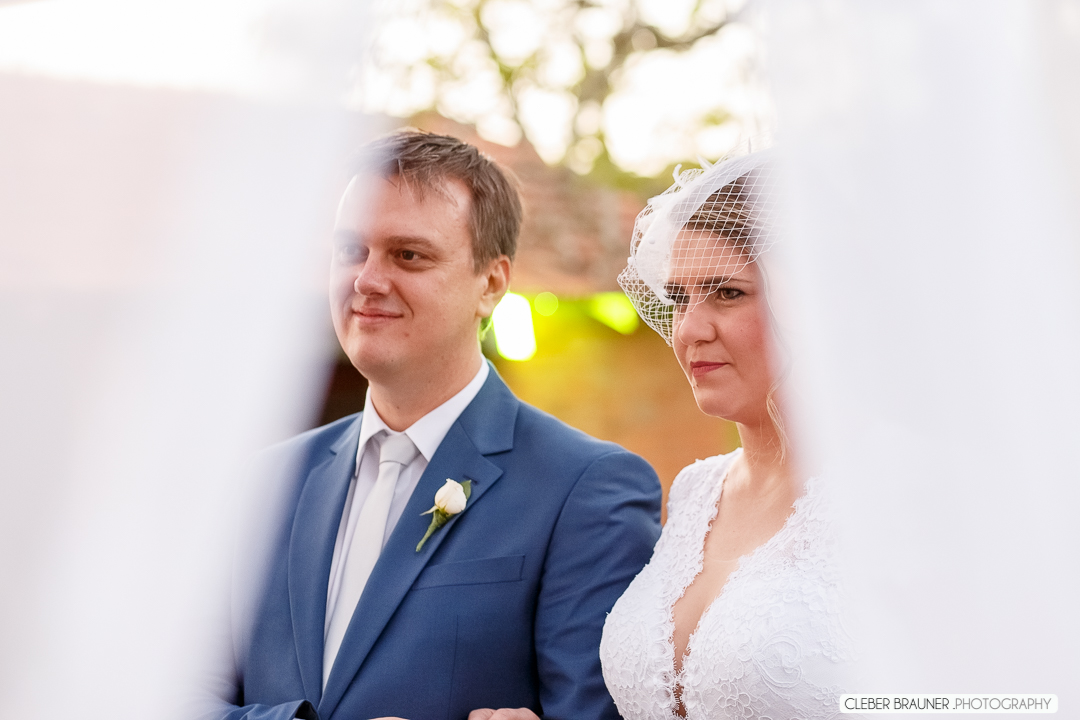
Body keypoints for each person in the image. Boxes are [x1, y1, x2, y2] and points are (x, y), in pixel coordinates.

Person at [209, 130, 662, 720]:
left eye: (408, 255)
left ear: (492, 284)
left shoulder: (588, 489)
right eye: (350, 252)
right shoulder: (263, 480)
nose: (368, 280)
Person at [598, 152, 857, 718]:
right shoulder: (695, 492)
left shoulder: (895, 495)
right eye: (678, 298)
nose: (689, 329)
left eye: (728, 292)